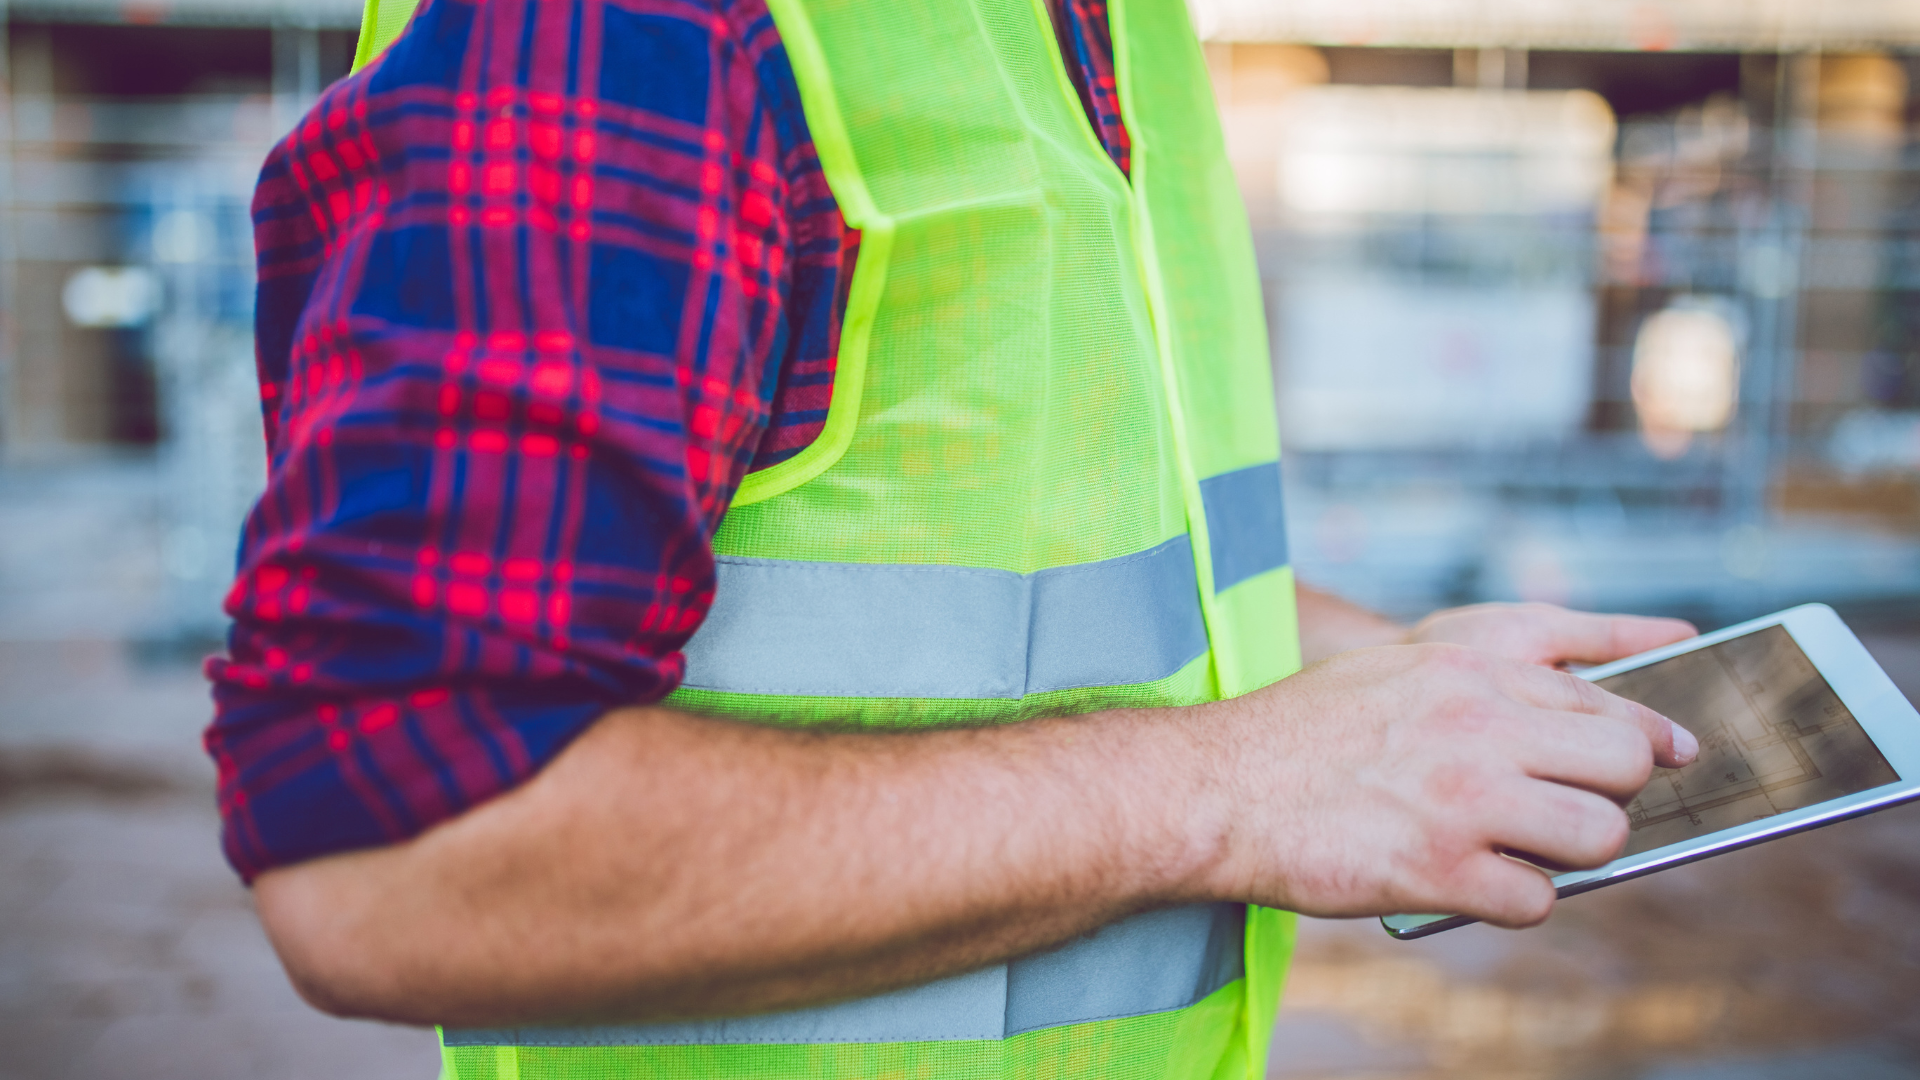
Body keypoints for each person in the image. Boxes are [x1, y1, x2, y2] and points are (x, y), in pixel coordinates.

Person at [206, 0, 1701, 1076]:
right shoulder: (630, 32)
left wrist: (1385, 684)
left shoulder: (1104, 37)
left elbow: (1032, 548)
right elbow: (392, 855)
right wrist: (1247, 781)